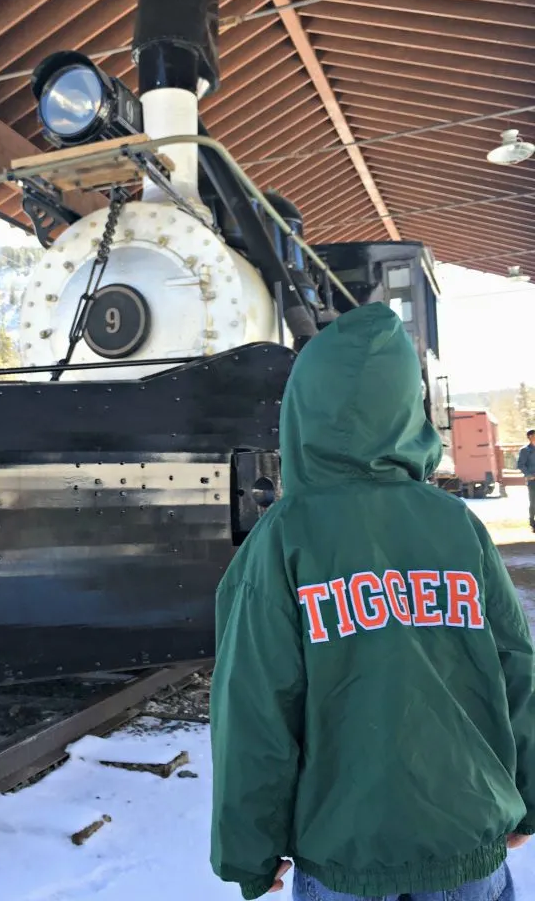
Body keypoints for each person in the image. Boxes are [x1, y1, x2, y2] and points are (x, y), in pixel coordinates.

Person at [210, 302, 534, 901]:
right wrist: (528, 796)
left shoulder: (284, 539)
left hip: (345, 851)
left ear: (304, 412)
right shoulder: (456, 526)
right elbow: (518, 667)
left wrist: (248, 848)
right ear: (406, 413)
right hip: (466, 838)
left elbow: (254, 704)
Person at [516, 429, 535, 532]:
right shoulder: (525, 450)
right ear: (530, 437)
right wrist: (528, 475)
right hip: (532, 480)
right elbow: (520, 464)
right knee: (533, 502)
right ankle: (532, 522)